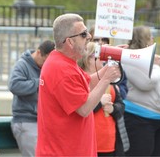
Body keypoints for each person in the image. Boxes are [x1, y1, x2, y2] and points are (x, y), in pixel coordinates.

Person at [36, 13, 121, 156]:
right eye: (83, 34)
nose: (89, 37)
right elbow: (84, 108)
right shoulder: (61, 69)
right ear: (70, 42)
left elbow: (85, 83)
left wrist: (106, 70)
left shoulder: (62, 61)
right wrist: (106, 79)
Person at [123, 25, 160, 156]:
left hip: (159, 120)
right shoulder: (129, 59)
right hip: (139, 120)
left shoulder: (149, 57)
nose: (153, 39)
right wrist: (155, 66)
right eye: (150, 36)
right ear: (142, 39)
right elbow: (146, 83)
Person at [78, 42, 126, 156]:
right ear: (87, 59)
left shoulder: (108, 78)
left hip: (110, 144)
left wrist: (113, 109)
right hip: (91, 143)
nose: (102, 59)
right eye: (98, 55)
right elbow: (81, 110)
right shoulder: (80, 79)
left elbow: (121, 106)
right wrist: (99, 103)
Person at [8, 40, 55, 157]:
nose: (46, 65)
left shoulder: (47, 67)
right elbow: (14, 85)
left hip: (42, 121)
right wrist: (39, 83)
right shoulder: (22, 65)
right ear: (39, 53)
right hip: (26, 120)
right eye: (45, 61)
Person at [89, 26, 128, 99]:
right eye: (96, 40)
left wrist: (117, 92)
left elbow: (123, 90)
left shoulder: (115, 62)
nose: (101, 42)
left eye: (104, 39)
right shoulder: (86, 61)